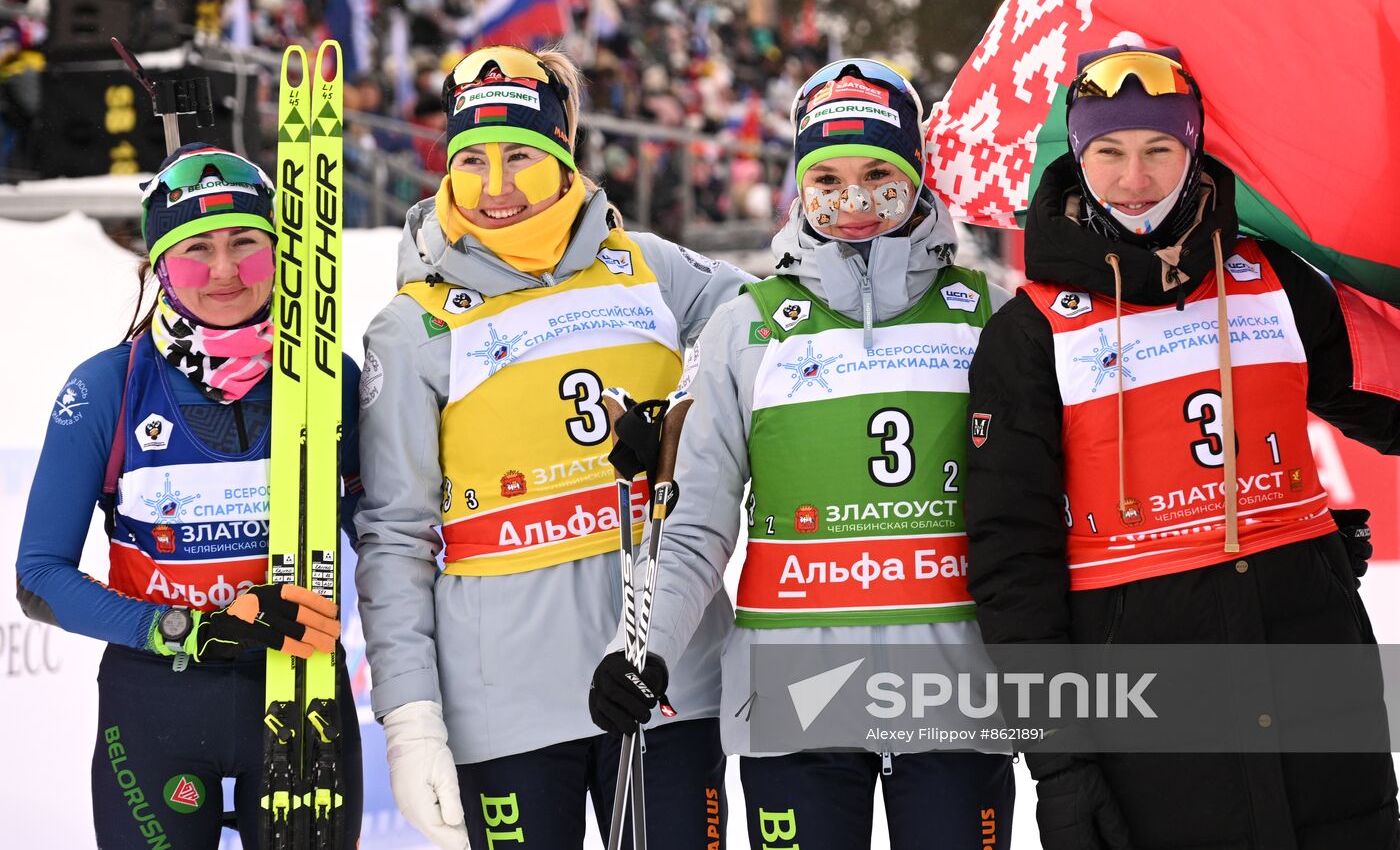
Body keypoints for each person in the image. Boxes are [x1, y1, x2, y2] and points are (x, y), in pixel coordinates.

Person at [965, 44, 1400, 849]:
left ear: (1194, 149)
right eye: (1110, 152)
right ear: (1077, 155)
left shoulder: (1275, 278)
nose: (1136, 178)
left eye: (1160, 149)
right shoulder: (1029, 330)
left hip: (1311, 664)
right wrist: (1060, 763)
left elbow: (1381, 401)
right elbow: (1010, 567)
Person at [587, 59, 1016, 849]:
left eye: (880, 176)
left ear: (918, 175)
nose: (853, 203)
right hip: (796, 696)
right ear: (799, 181)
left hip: (954, 687)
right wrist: (638, 651)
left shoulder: (985, 312)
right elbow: (696, 528)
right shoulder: (747, 325)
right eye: (828, 178)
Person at [354, 44, 751, 849]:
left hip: (665, 678)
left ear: (565, 155)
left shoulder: (654, 270)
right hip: (504, 707)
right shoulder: (414, 323)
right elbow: (392, 536)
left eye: (522, 157)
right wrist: (410, 715)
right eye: (471, 161)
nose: (496, 188)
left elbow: (763, 324)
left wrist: (681, 412)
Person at [15, 144, 364, 847]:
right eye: (196, 248)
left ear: (279, 251)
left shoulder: (334, 379)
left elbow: (387, 535)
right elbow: (39, 578)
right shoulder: (107, 386)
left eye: (246, 242)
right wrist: (188, 626)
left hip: (303, 693)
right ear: (159, 266)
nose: (225, 269)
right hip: (157, 700)